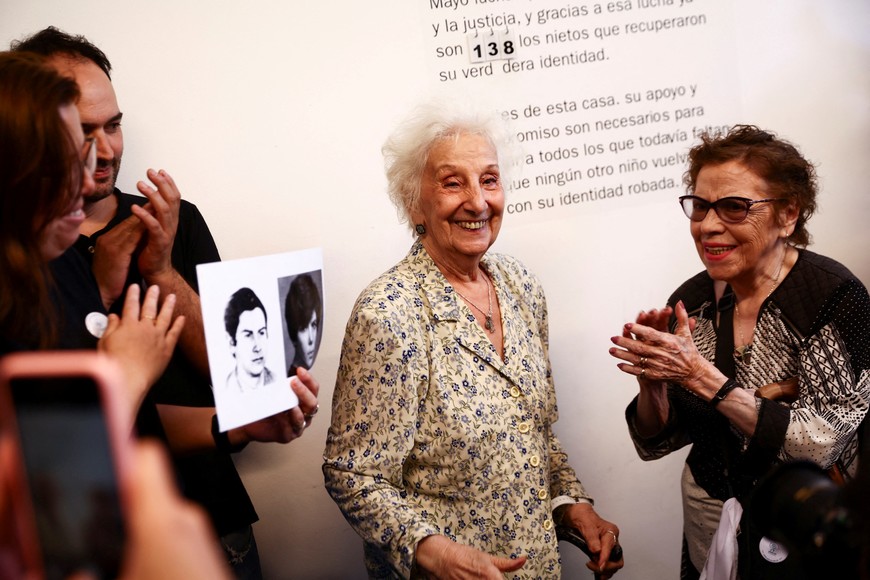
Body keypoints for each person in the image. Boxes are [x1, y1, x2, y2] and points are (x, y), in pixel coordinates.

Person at [11, 27, 320, 578]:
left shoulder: (171, 223)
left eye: (112, 126)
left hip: (204, 514)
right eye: (78, 136)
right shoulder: (29, 275)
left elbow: (182, 405)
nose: (98, 158)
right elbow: (48, 468)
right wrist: (123, 365)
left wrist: (158, 271)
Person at [323, 103, 623, 579]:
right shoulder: (389, 313)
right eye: (452, 182)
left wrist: (572, 505)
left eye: (488, 179)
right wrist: (433, 551)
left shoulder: (521, 285)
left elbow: (535, 433)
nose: (479, 202)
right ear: (412, 201)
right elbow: (354, 475)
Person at [608, 125, 870, 579]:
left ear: (788, 214)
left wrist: (699, 377)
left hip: (801, 519)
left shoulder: (830, 297)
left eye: (734, 207)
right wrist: (653, 384)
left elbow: (825, 442)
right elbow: (657, 441)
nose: (708, 225)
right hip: (712, 524)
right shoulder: (693, 303)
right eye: (701, 206)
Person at [0, 51, 210, 579]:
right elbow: (40, 500)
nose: (92, 169)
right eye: (66, 155)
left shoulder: (60, 266)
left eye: (108, 131)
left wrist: (237, 427)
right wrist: (125, 377)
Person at [224, 287, 275, 392]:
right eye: (248, 335)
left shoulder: (278, 382)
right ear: (232, 344)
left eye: (261, 333)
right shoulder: (227, 390)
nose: (258, 347)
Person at [283, 273, 322, 373]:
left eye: (313, 325)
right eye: (303, 329)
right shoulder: (292, 379)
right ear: (293, 333)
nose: (311, 339)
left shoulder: (314, 371)